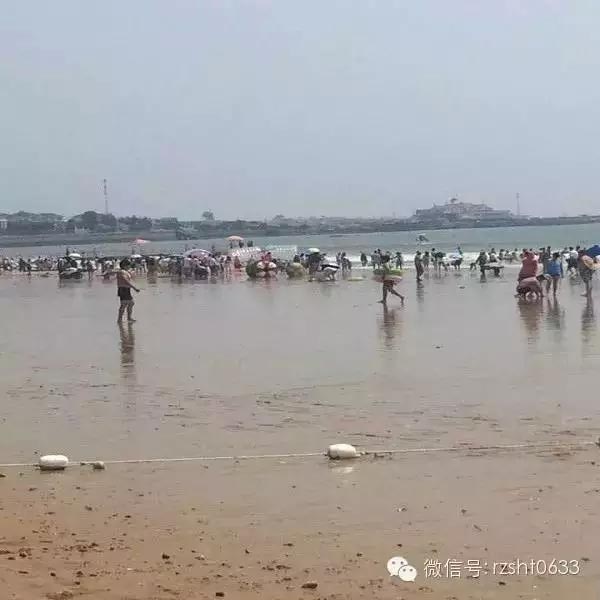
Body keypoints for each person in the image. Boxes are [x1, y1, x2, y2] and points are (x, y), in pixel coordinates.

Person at [116, 259, 140, 323]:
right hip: (123, 289)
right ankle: (120, 319)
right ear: (124, 265)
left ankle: (128, 318)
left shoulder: (125, 271)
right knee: (124, 304)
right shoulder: (122, 272)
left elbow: (130, 278)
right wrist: (134, 288)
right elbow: (126, 281)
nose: (129, 266)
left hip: (126, 289)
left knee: (131, 303)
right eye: (128, 265)